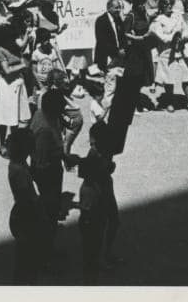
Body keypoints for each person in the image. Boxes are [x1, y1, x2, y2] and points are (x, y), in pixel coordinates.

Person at [77, 121, 121, 282]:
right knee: (96, 228)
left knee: (112, 222)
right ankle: (96, 259)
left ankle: (104, 254)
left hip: (103, 191)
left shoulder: (103, 151)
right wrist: (107, 168)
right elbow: (89, 175)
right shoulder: (94, 153)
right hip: (95, 194)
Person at [7, 127, 52, 284]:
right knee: (26, 259)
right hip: (26, 215)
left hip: (23, 213)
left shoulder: (18, 163)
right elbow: (27, 198)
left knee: (25, 256)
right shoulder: (18, 169)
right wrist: (41, 212)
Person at [29, 87, 66, 241]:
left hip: (51, 166)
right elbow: (41, 161)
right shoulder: (44, 129)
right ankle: (47, 246)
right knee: (49, 211)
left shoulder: (41, 114)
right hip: (48, 173)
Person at [0, 19, 32, 156]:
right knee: (5, 117)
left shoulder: (15, 46)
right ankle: (2, 144)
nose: (16, 39)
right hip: (7, 86)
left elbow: (22, 44)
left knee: (17, 116)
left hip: (18, 83)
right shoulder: (1, 51)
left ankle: (14, 142)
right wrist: (23, 65)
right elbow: (7, 71)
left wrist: (27, 32)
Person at [94, 0, 127, 121]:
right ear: (109, 8)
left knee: (119, 84)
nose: (118, 10)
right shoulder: (101, 21)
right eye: (116, 8)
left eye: (119, 8)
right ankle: (104, 112)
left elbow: (122, 37)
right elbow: (102, 41)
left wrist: (124, 50)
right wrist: (116, 52)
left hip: (120, 57)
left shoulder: (118, 20)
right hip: (108, 58)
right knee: (110, 86)